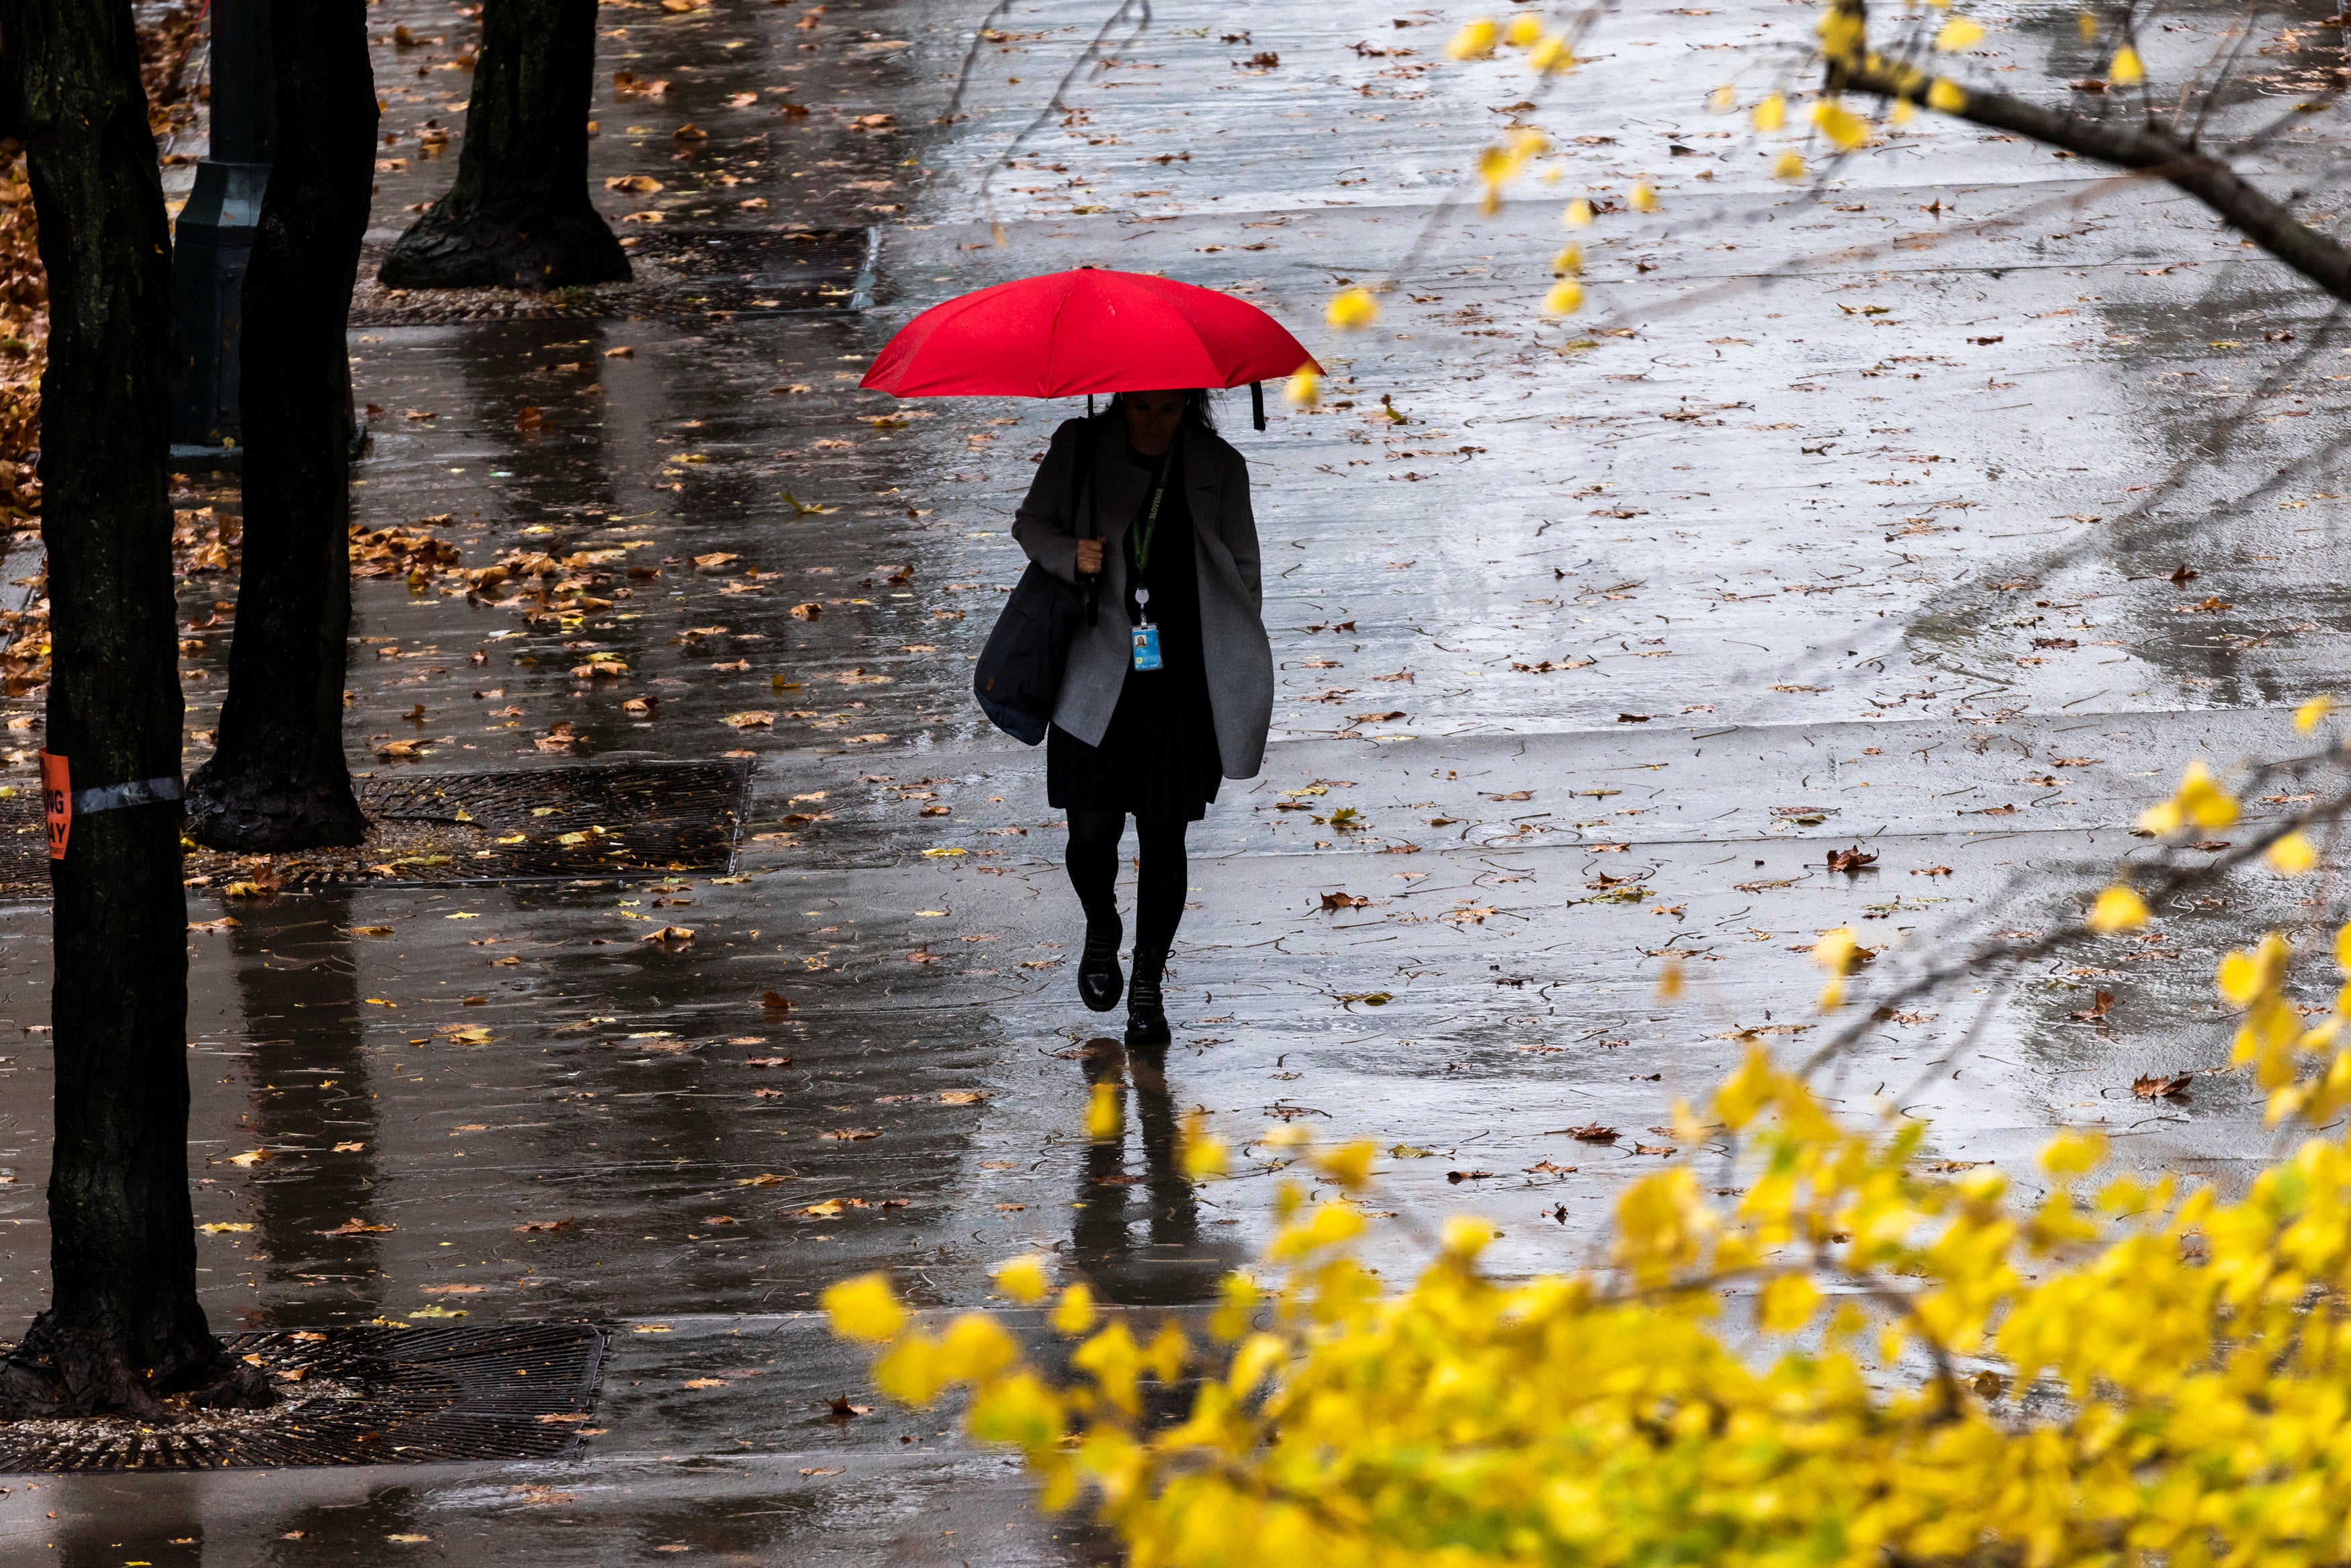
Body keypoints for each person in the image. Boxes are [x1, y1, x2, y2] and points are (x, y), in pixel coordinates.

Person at [1011, 389, 1273, 1047]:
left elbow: (1243, 572)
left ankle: (1148, 988)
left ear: (1189, 406)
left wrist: (1229, 643)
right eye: (1141, 409)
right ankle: (1101, 925)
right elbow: (1030, 524)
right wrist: (1071, 555)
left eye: (1168, 410)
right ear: (1121, 401)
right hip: (1092, 674)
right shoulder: (1079, 446)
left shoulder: (1218, 466)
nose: (1154, 422)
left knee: (1164, 838)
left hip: (1178, 682)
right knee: (1089, 835)